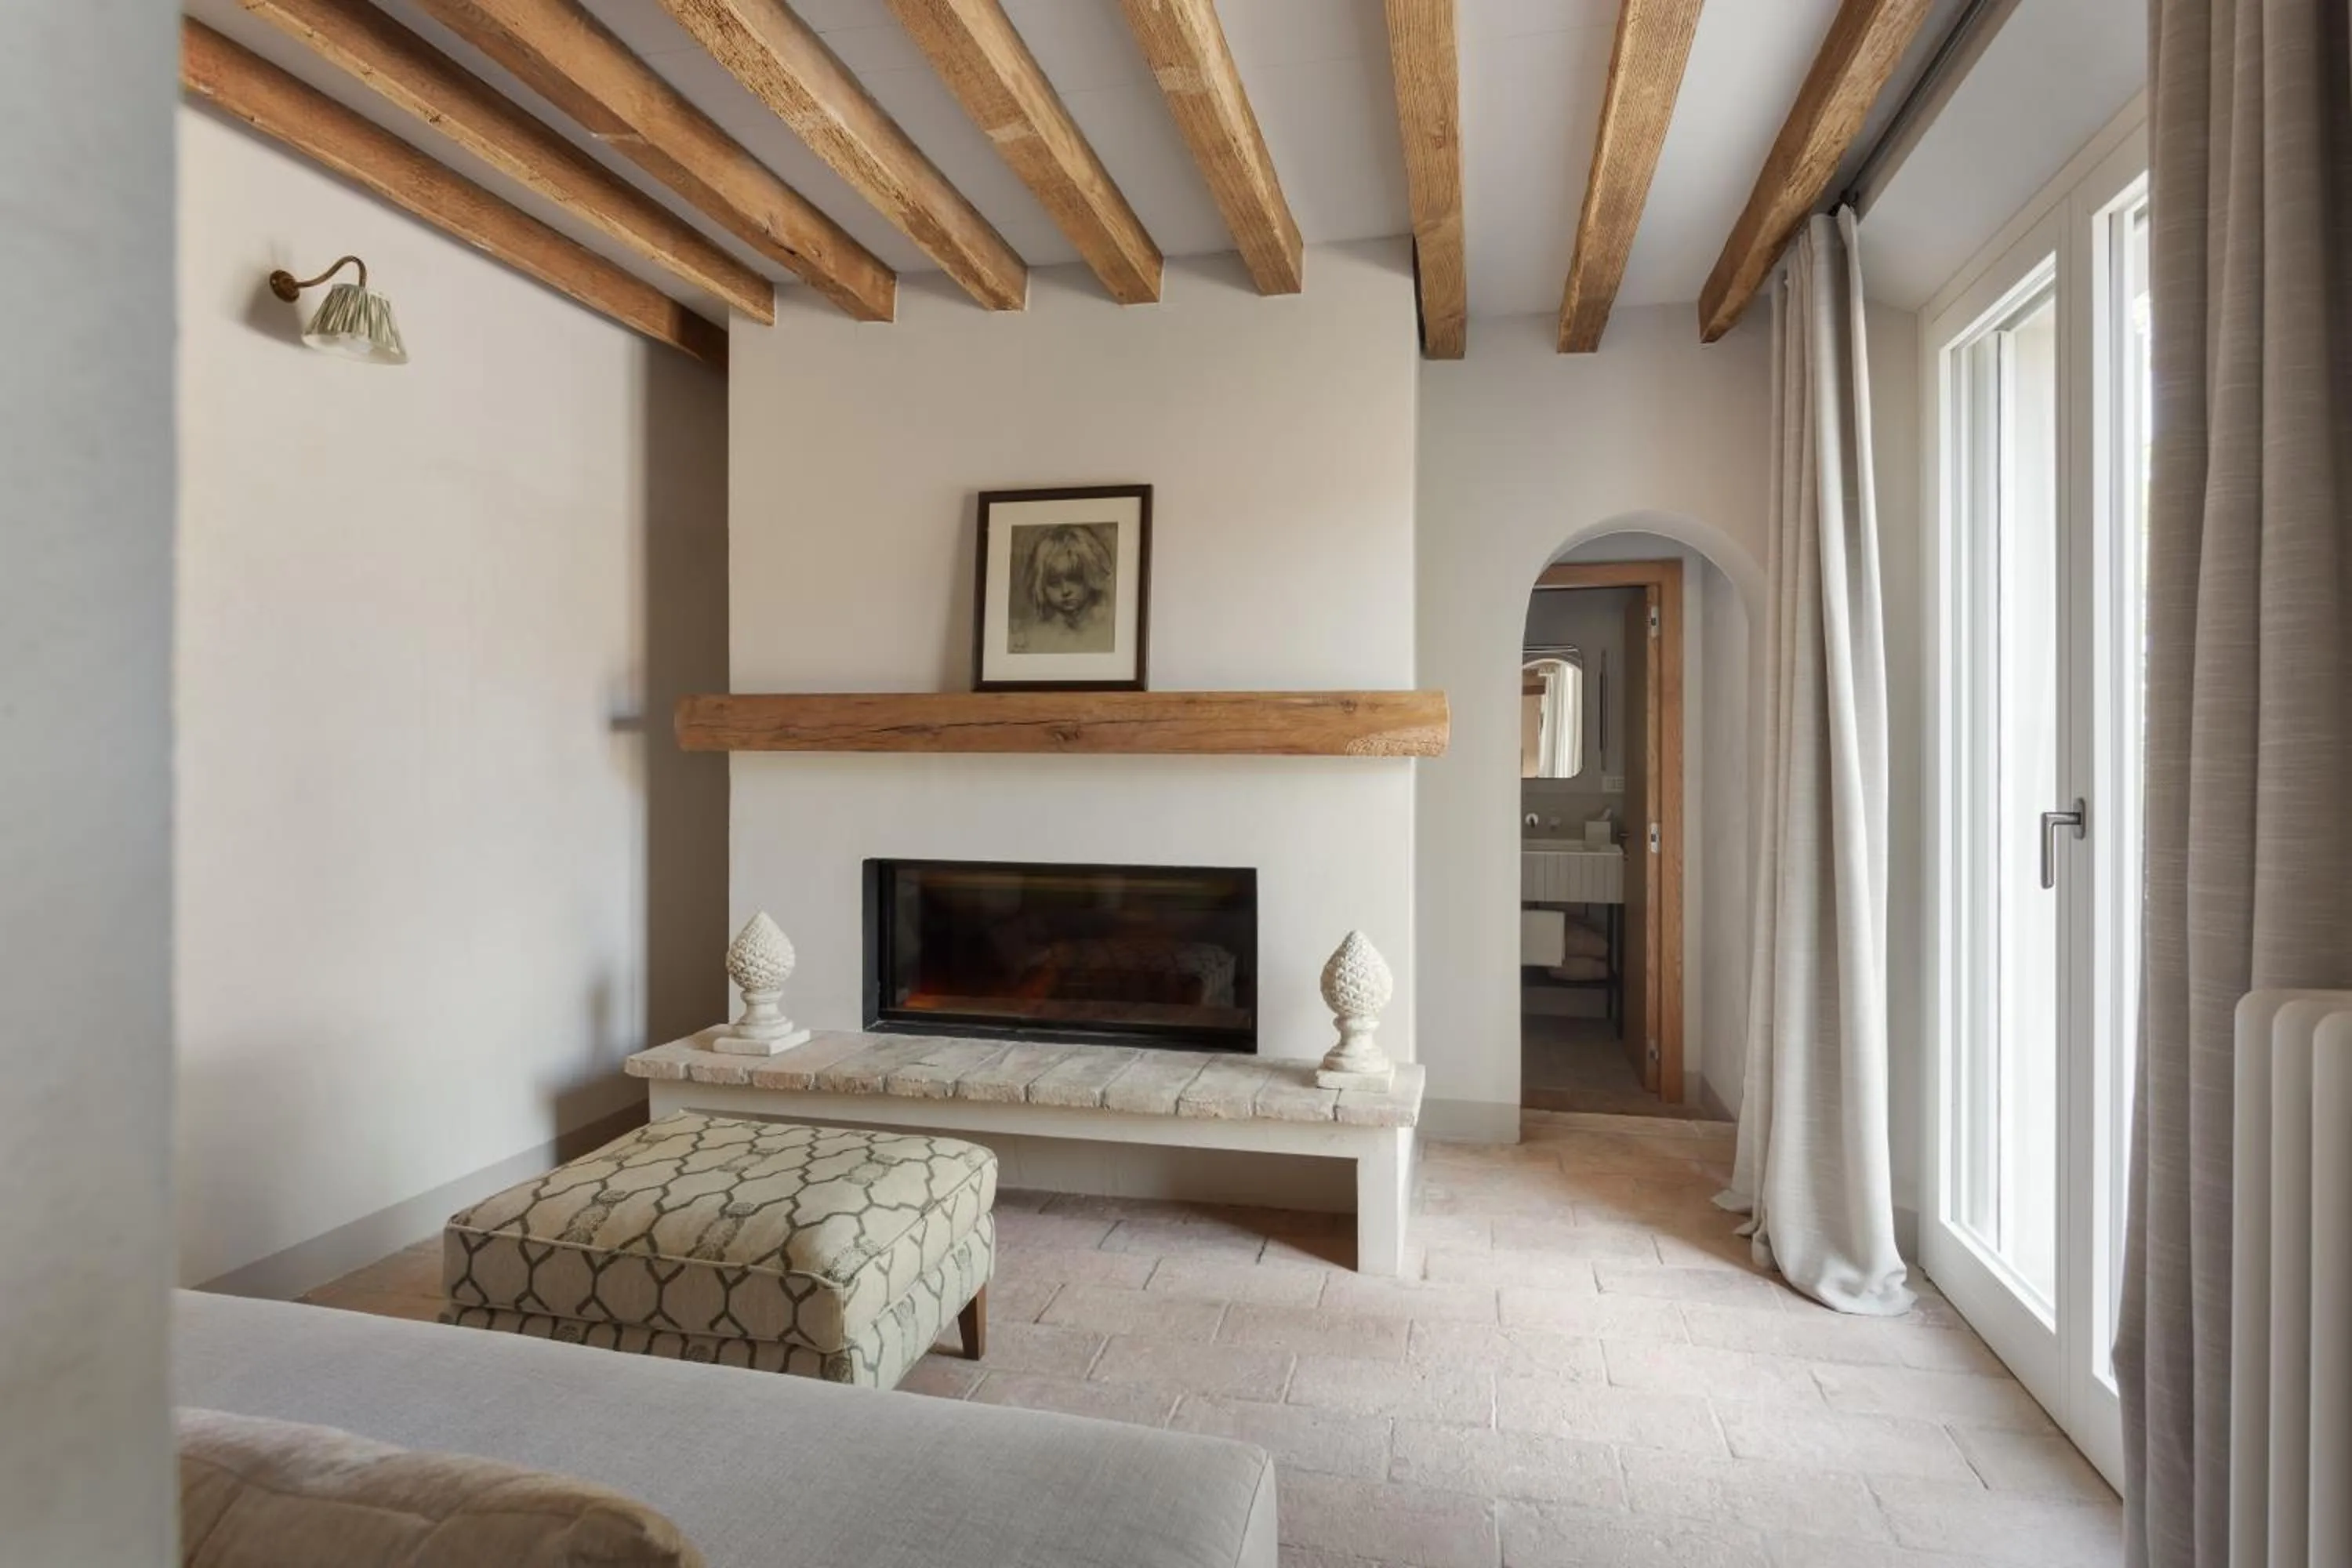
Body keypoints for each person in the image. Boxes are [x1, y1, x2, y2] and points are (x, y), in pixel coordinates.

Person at [1012, 524, 1116, 653]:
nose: (1065, 591)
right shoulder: (1032, 637)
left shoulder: (1107, 627)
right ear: (1041, 586)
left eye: (1075, 579)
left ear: (1091, 576)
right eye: (1054, 583)